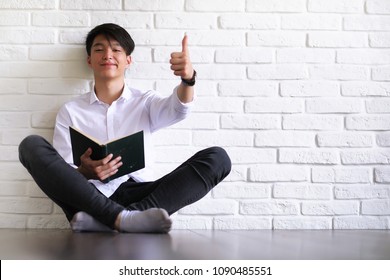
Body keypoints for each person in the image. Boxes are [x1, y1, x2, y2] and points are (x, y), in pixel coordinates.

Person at [18, 23, 231, 233]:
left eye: (116, 49)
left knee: (217, 158)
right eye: (99, 49)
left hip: (142, 193)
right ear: (89, 60)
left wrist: (188, 79)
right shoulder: (70, 111)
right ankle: (123, 219)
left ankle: (116, 219)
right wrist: (85, 171)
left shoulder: (145, 101)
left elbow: (179, 109)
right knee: (30, 146)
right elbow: (61, 174)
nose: (107, 55)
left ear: (128, 60)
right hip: (89, 196)